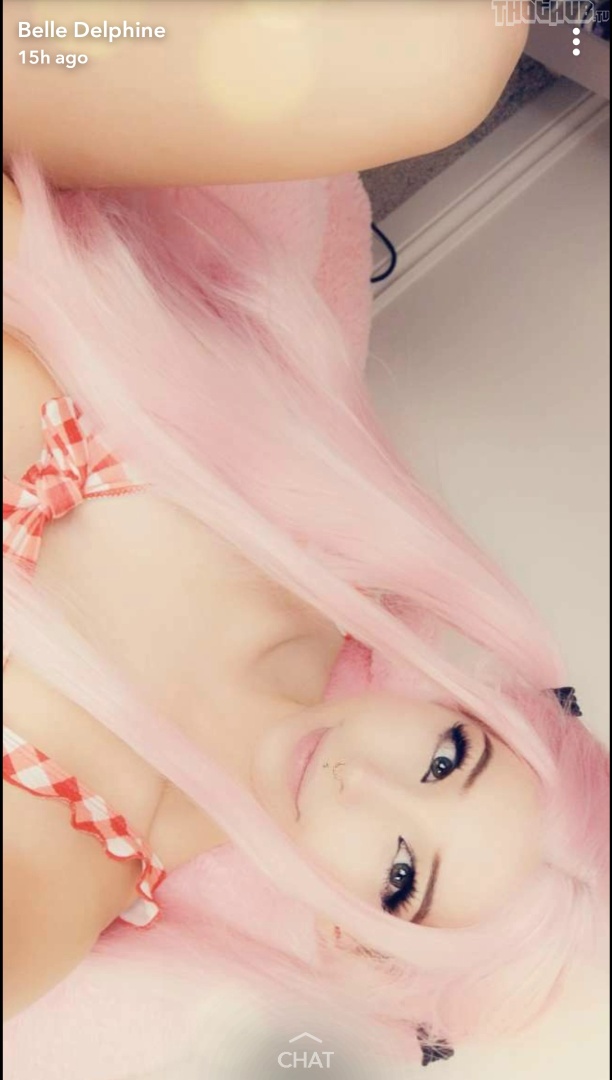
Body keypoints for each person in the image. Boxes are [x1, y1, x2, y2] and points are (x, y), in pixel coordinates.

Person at [3, 2, 609, 1076]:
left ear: (350, 944)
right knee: (451, 55)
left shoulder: (60, 865)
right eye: (446, 757)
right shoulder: (315, 524)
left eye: (398, 879)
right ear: (463, 700)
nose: (360, 784)